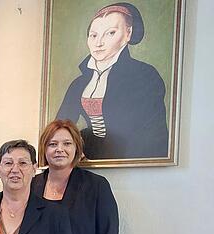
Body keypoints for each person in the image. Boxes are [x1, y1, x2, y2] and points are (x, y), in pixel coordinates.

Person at [57, 2, 168, 160]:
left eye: (110, 33)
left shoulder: (145, 75)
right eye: (93, 35)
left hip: (132, 161)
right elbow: (59, 126)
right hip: (89, 158)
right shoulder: (79, 84)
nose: (99, 42)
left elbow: (152, 134)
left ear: (128, 34)